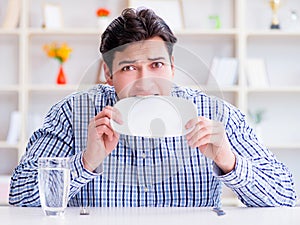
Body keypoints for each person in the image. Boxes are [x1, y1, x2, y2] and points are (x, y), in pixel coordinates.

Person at [9, 8, 296, 207]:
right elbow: (20, 195)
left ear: (172, 67)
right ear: (109, 75)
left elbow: (285, 195)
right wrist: (85, 162)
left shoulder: (217, 114)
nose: (144, 82)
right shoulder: (71, 114)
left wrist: (228, 160)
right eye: (129, 67)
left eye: (156, 65)